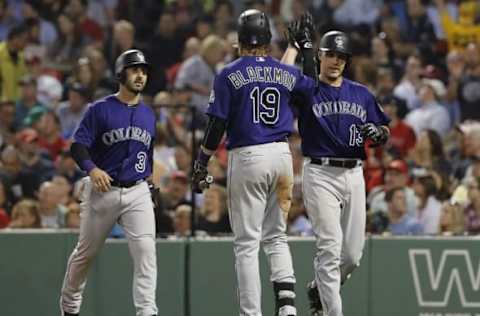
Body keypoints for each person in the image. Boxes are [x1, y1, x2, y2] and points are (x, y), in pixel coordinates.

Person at [191, 9, 317, 316]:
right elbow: (312, 88)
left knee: (247, 244)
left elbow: (216, 125)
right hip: (283, 156)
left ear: (239, 41)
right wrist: (306, 51)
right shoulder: (285, 71)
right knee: (276, 236)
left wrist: (202, 160)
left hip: (248, 156)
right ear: (267, 41)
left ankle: (251, 313)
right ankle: (287, 307)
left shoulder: (228, 73)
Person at [284, 19, 390, 316]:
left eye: (341, 57)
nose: (336, 61)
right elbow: (288, 80)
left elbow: (383, 129)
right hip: (320, 173)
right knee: (329, 248)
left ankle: (319, 287)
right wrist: (297, 49)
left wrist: (380, 134)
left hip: (354, 173)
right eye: (331, 54)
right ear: (320, 56)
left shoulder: (361, 93)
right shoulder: (309, 89)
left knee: (352, 255)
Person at [59, 49, 158, 316]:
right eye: (135, 69)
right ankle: (69, 307)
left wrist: (149, 183)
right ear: (120, 73)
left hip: (137, 190)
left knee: (146, 253)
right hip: (103, 190)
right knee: (85, 255)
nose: (140, 75)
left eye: (144, 71)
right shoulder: (100, 109)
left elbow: (145, 156)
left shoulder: (149, 115)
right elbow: (78, 146)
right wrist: (92, 170)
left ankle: (147, 311)